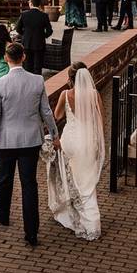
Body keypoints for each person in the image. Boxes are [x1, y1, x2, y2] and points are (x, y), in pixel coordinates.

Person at [0, 42, 59, 247]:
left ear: (7, 59)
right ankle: (31, 231)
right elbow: (47, 112)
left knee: (4, 180)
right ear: (23, 57)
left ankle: (3, 215)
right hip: (30, 141)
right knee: (29, 184)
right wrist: (55, 134)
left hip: (7, 141)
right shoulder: (37, 81)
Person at [43, 62, 104, 241]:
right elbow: (100, 121)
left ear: (70, 79)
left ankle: (72, 214)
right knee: (87, 182)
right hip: (87, 141)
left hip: (70, 141)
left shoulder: (66, 94)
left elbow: (58, 115)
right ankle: (92, 222)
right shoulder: (94, 94)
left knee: (72, 179)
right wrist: (99, 143)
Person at [15, 0, 52, 76]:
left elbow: (17, 28)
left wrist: (24, 35)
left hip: (27, 43)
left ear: (31, 3)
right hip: (39, 44)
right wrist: (42, 36)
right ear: (39, 4)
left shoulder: (24, 14)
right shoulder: (44, 15)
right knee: (38, 67)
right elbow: (49, 31)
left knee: (27, 66)